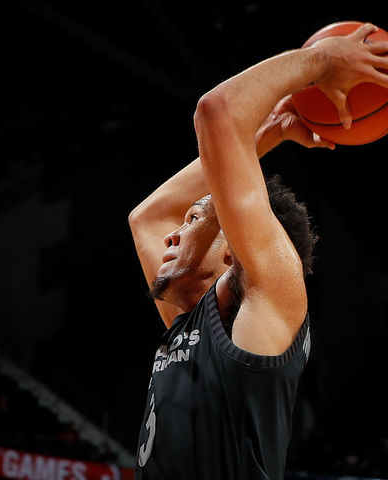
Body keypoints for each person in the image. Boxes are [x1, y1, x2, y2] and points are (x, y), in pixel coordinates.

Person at [128, 23, 388, 480]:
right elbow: (146, 217)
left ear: (235, 254)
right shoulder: (192, 321)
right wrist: (269, 130)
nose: (170, 235)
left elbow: (217, 110)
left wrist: (322, 60)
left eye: (191, 223)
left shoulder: (269, 299)